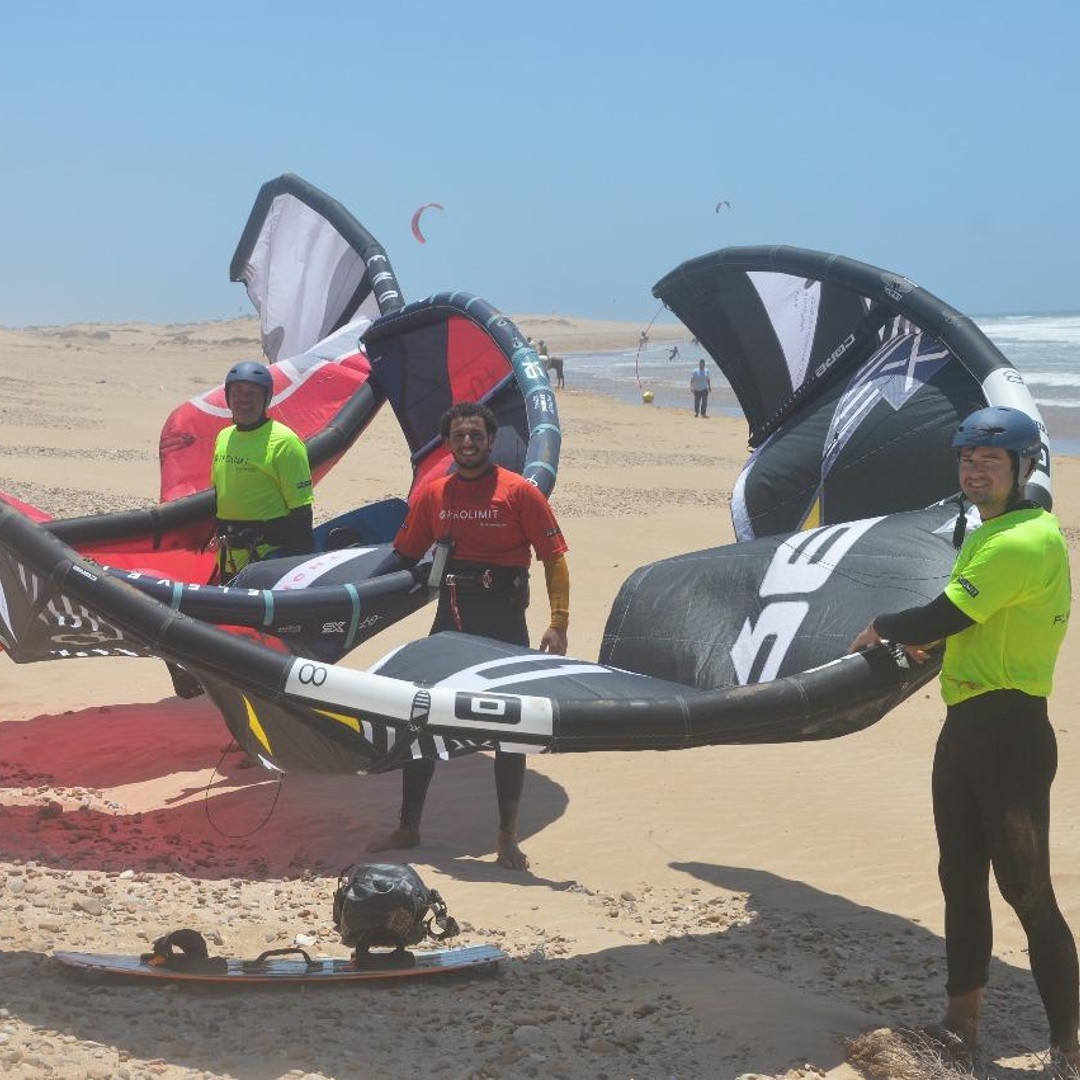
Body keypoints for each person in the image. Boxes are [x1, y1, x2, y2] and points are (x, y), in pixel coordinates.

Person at [848, 406, 1078, 1073]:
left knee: (1028, 892)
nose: (976, 471)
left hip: (1009, 734)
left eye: (991, 461)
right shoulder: (992, 530)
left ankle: (1069, 1048)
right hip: (969, 729)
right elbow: (965, 623)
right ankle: (961, 1027)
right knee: (960, 879)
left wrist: (886, 625)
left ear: (1024, 467)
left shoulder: (1022, 540)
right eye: (968, 460)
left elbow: (946, 612)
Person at [368, 401, 570, 871]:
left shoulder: (519, 493)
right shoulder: (434, 495)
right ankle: (408, 825)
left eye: (475, 435)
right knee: (420, 719)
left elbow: (555, 558)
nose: (467, 443)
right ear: (449, 442)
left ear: (490, 439)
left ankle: (506, 838)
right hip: (451, 620)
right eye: (459, 436)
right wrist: (357, 595)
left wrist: (558, 622)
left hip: (503, 624)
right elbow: (402, 556)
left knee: (510, 731)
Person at [211, 360, 314, 582]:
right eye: (238, 391)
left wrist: (298, 571)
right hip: (229, 555)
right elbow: (223, 494)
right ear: (228, 396)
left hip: (267, 559)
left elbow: (302, 514)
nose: (244, 398)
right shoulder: (223, 437)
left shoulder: (285, 442)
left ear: (267, 397)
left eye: (253, 392)